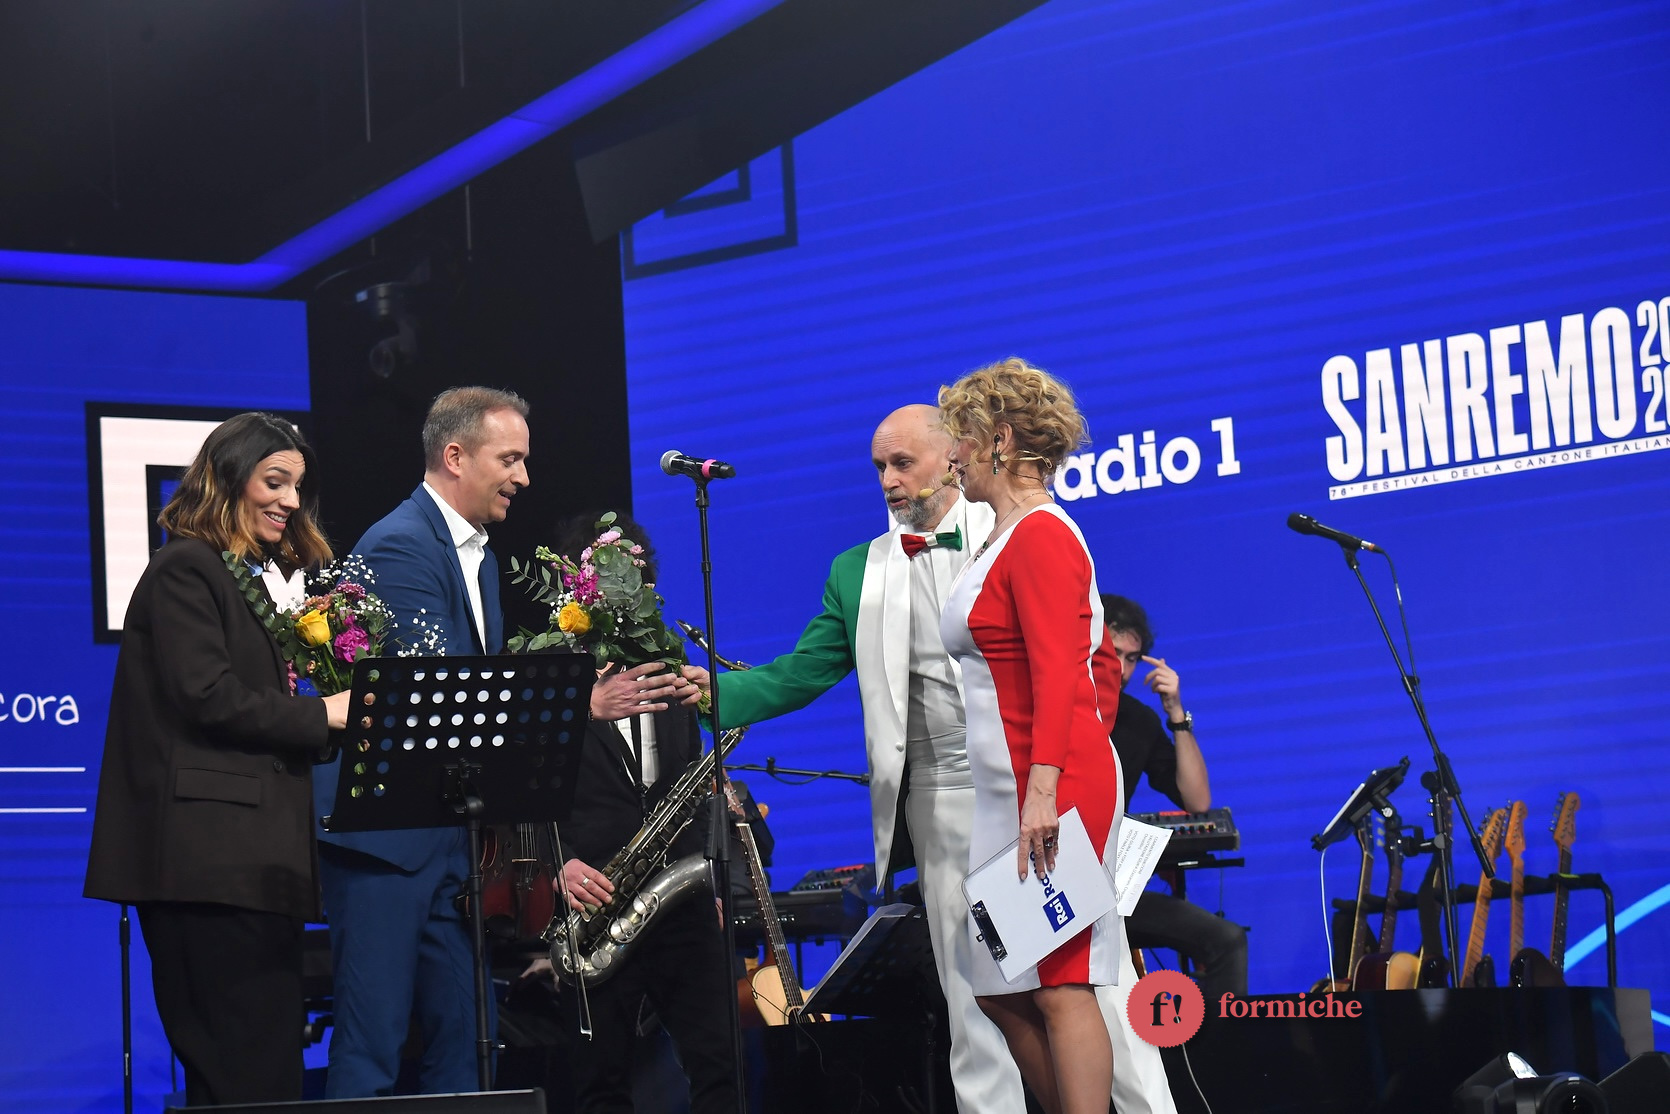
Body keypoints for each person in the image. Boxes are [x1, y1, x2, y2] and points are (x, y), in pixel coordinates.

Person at [84, 412, 350, 1106]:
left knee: (258, 1080)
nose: (291, 501)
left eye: (298, 487)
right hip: (207, 867)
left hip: (252, 868)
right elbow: (207, 695)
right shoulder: (186, 568)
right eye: (275, 481)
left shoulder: (249, 579)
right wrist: (322, 714)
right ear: (228, 478)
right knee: (243, 1078)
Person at [312, 386, 532, 1097]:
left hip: (444, 840)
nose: (523, 477)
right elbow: (439, 691)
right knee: (371, 1046)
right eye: (510, 459)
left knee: (470, 1041)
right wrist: (572, 702)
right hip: (383, 840)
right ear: (455, 456)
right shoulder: (400, 544)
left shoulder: (482, 558)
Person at [937, 357, 1122, 1114]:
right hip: (1003, 794)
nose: (953, 455)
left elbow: (1059, 675)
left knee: (1059, 986)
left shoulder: (1043, 534)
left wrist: (1042, 794)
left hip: (1049, 785)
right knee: (1000, 992)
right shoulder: (1000, 537)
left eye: (963, 437)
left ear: (1001, 439)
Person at [542, 511, 737, 1114]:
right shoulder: (547, 678)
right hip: (595, 904)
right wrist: (559, 864)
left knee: (722, 1069)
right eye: (614, 581)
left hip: (680, 902)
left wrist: (709, 875)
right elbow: (520, 792)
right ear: (580, 590)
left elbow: (690, 783)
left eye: (638, 579)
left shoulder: (667, 665)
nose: (631, 595)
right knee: (600, 1088)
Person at [1101, 594, 1248, 1001]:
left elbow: (1197, 803)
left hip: (1112, 892)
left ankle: (1218, 1047)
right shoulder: (1055, 706)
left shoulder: (1138, 720)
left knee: (1227, 940)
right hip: (1055, 886)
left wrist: (1176, 713)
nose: (1123, 670)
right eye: (1113, 654)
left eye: (1133, 659)